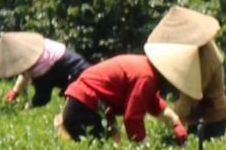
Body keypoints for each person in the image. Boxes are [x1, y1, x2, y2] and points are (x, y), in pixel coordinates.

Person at [56, 52, 188, 144]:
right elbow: (132, 118)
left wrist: (176, 123)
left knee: (111, 145)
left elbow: (154, 104)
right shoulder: (147, 77)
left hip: (83, 104)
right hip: (84, 107)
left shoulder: (145, 68)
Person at [147, 5, 226, 142]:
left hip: (211, 119)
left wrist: (171, 121)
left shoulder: (205, 57)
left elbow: (191, 96)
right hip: (198, 118)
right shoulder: (201, 49)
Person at [0, 32, 89, 108]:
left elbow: (43, 97)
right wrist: (15, 91)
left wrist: (27, 107)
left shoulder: (41, 66)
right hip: (77, 68)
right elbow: (25, 71)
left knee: (72, 116)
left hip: (79, 77)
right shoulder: (36, 51)